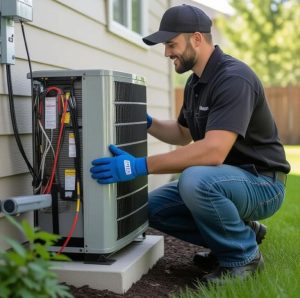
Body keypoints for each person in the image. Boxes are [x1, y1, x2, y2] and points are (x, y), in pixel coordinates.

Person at [90, 4, 290, 283]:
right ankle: (241, 234)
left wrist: (138, 166)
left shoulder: (233, 78)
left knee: (195, 179)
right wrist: (146, 123)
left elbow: (213, 150)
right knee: (152, 209)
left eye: (171, 44)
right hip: (227, 182)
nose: (167, 52)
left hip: (262, 182)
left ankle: (242, 257)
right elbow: (183, 134)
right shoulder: (196, 82)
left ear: (197, 38)